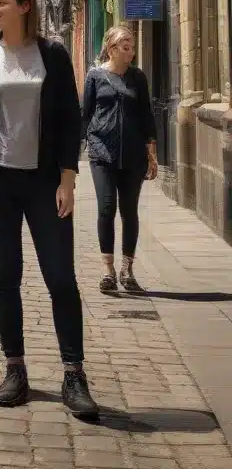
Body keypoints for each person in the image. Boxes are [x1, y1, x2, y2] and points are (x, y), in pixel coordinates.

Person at [0, 0, 98, 420]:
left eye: (0, 2)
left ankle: (74, 374)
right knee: (6, 279)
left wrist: (68, 178)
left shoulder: (52, 53)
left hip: (43, 182)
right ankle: (15, 368)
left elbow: (70, 119)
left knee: (60, 278)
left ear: (23, 6)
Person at [82, 25, 158, 294]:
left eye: (132, 46)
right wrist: (77, 148)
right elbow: (86, 112)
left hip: (134, 154)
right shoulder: (95, 76)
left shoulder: (138, 77)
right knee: (106, 208)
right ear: (111, 49)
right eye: (125, 46)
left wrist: (152, 153)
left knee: (129, 211)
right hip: (102, 152)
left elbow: (147, 115)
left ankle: (127, 269)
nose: (131, 51)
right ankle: (108, 270)